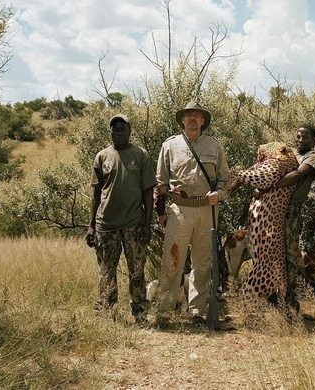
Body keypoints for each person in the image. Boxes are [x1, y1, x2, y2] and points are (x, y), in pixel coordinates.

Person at [154, 101, 230, 325]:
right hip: (180, 211)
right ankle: (165, 311)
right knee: (173, 261)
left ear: (203, 121)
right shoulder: (170, 146)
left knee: (202, 263)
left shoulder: (214, 146)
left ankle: (196, 311)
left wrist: (220, 194)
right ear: (182, 120)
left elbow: (226, 178)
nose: (193, 120)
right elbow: (160, 182)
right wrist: (166, 198)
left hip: (207, 211)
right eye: (189, 117)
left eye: (197, 116)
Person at [85, 114, 157, 325]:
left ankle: (140, 313)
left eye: (122, 129)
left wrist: (146, 225)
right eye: (114, 129)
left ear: (129, 131)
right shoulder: (102, 157)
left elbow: (148, 192)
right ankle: (105, 313)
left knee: (137, 271)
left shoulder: (140, 155)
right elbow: (97, 194)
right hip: (106, 225)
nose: (118, 132)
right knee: (107, 272)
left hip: (134, 224)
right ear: (111, 132)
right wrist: (91, 226)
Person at [254, 124, 315, 312]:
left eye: (305, 136)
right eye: (298, 136)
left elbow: (297, 174)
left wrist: (267, 187)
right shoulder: (289, 153)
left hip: (290, 210)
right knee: (269, 252)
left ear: (313, 139)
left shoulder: (312, 156)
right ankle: (271, 296)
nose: (300, 139)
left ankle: (290, 301)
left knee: (289, 255)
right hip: (271, 208)